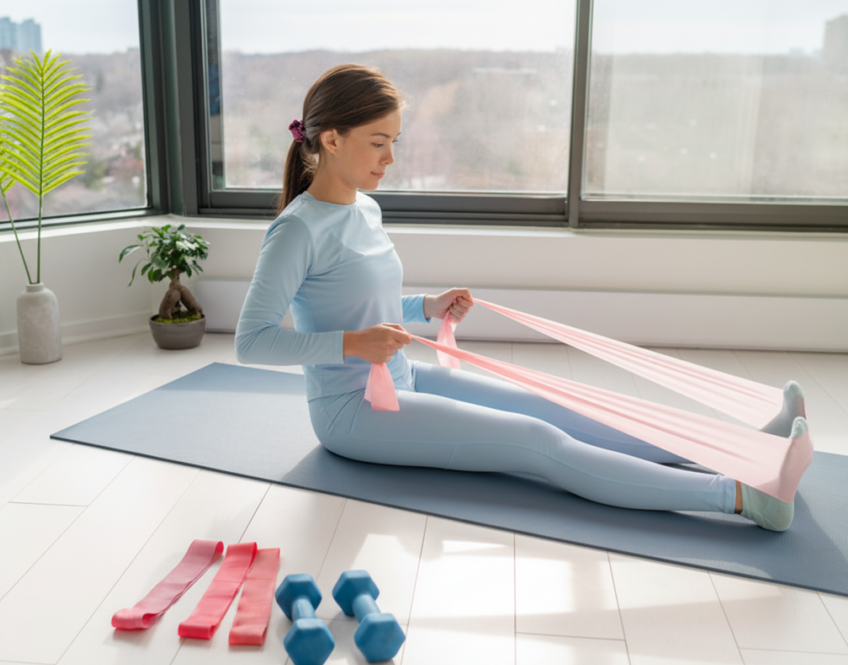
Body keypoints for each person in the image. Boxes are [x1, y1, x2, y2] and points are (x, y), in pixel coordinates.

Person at [235, 64, 805, 531]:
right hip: (351, 411)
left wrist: (426, 308)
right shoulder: (296, 230)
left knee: (555, 406)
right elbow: (252, 343)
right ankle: (742, 497)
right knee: (535, 441)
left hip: (400, 375)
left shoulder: (365, 207)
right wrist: (353, 345)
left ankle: (747, 450)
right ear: (331, 139)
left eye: (395, 143)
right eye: (379, 143)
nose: (391, 159)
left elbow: (369, 308)